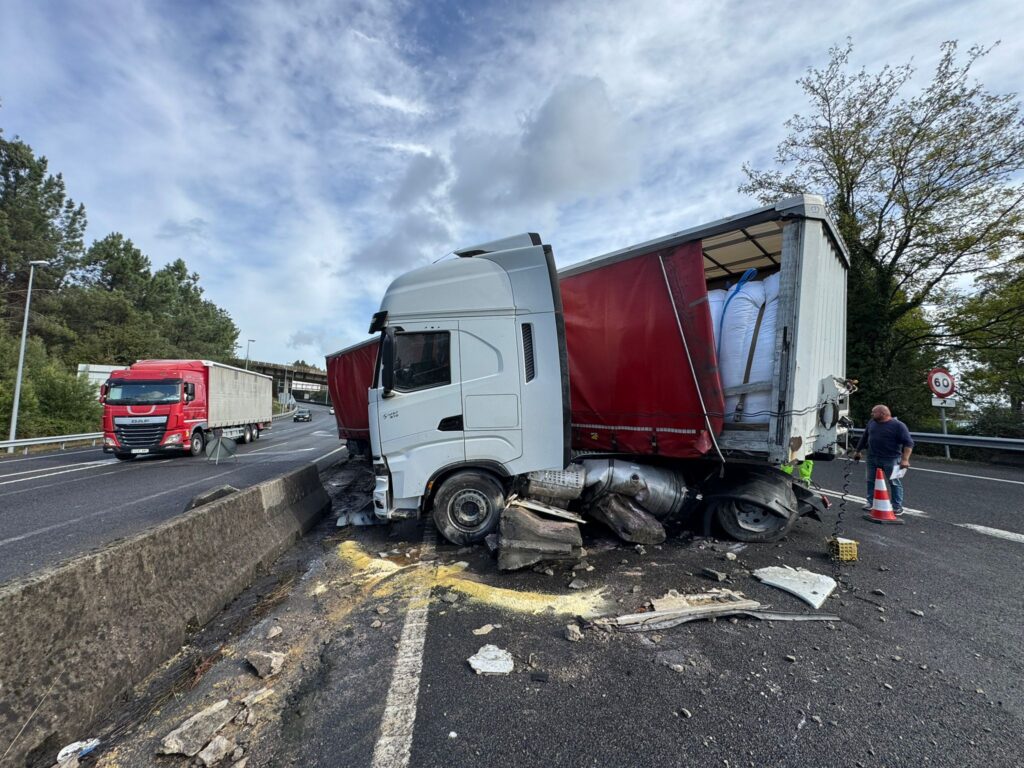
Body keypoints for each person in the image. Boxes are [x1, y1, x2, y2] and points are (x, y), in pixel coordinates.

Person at [853, 404, 914, 514]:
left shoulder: (898, 426)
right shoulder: (872, 423)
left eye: (874, 412)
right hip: (872, 457)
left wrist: (905, 459)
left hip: (891, 459)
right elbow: (865, 437)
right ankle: (871, 502)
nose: (871, 414)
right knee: (870, 480)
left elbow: (909, 443)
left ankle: (897, 506)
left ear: (883, 413)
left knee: (894, 482)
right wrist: (858, 451)